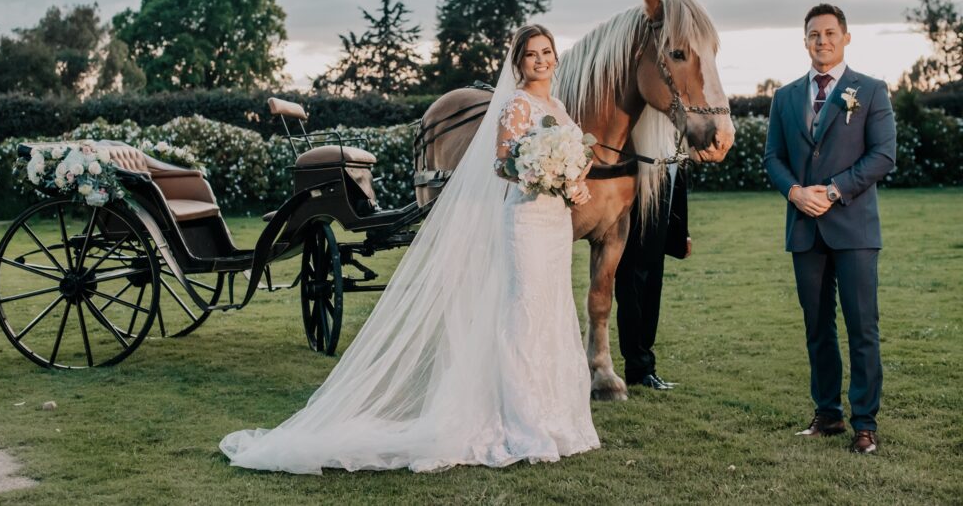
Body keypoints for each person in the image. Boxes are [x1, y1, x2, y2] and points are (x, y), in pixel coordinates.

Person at [219, 24, 600, 473]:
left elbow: (578, 155)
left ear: (556, 57)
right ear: (518, 63)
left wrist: (573, 177)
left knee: (553, 313)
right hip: (525, 221)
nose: (541, 59)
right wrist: (544, 174)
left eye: (547, 51)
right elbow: (503, 162)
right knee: (523, 314)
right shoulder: (516, 104)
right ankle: (522, 421)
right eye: (532, 53)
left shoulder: (557, 105)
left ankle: (556, 417)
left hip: (554, 224)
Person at [763, 3, 896, 455]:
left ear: (845, 37)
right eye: (813, 35)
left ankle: (865, 422)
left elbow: (883, 156)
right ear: (804, 41)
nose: (822, 41)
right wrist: (795, 192)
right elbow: (772, 159)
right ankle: (828, 414)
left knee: (862, 327)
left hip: (854, 227)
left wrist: (835, 190)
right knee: (816, 326)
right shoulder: (785, 97)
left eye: (829, 33)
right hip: (804, 227)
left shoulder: (872, 91)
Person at [615, 164, 690, 391]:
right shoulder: (643, 144)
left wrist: (682, 233)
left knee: (651, 302)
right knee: (633, 299)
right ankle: (637, 369)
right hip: (633, 233)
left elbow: (676, 187)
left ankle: (647, 368)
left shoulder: (674, 147)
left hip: (659, 234)